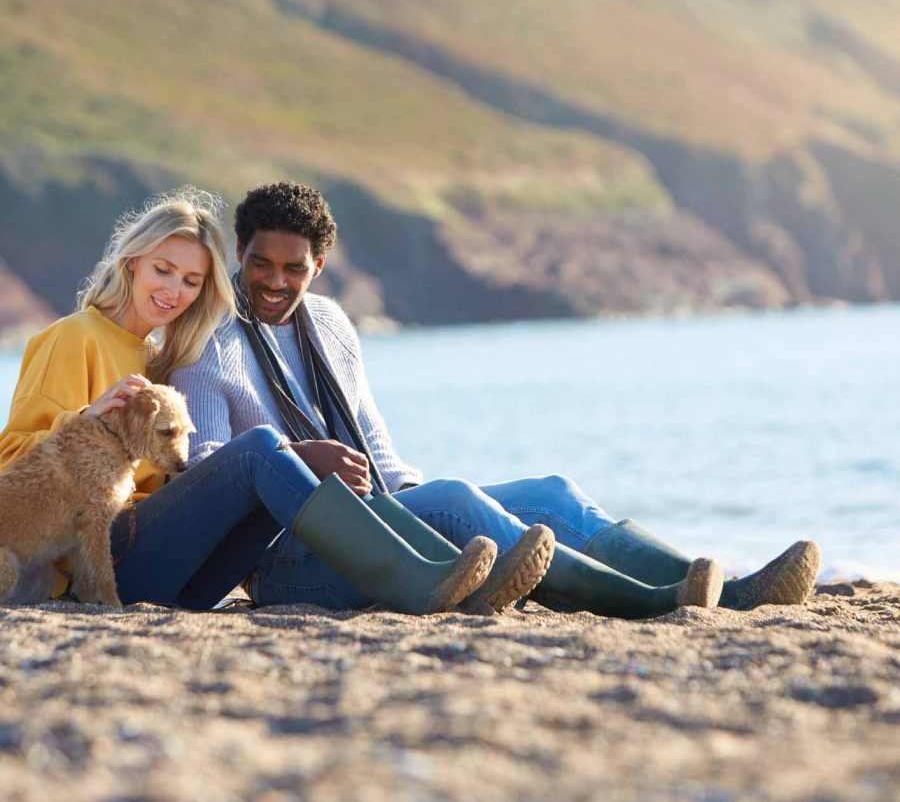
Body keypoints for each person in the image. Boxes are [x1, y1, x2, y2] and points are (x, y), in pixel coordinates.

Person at [173, 183, 816, 619]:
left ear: (319, 266)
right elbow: (200, 466)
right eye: (261, 264)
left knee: (552, 494)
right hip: (288, 561)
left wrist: (414, 510)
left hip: (379, 525)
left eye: (294, 269)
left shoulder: (331, 324)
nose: (274, 282)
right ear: (241, 252)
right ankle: (655, 600)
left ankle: (722, 588)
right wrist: (301, 457)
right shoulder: (210, 337)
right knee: (455, 500)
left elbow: (381, 455)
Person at [0, 188, 518, 613]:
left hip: (185, 579)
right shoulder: (76, 337)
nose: (173, 290)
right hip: (104, 558)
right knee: (258, 449)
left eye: (191, 281)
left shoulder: (157, 355)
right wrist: (87, 419)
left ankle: (425, 567)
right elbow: (12, 467)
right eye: (163, 269)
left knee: (265, 468)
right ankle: (406, 573)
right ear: (133, 262)